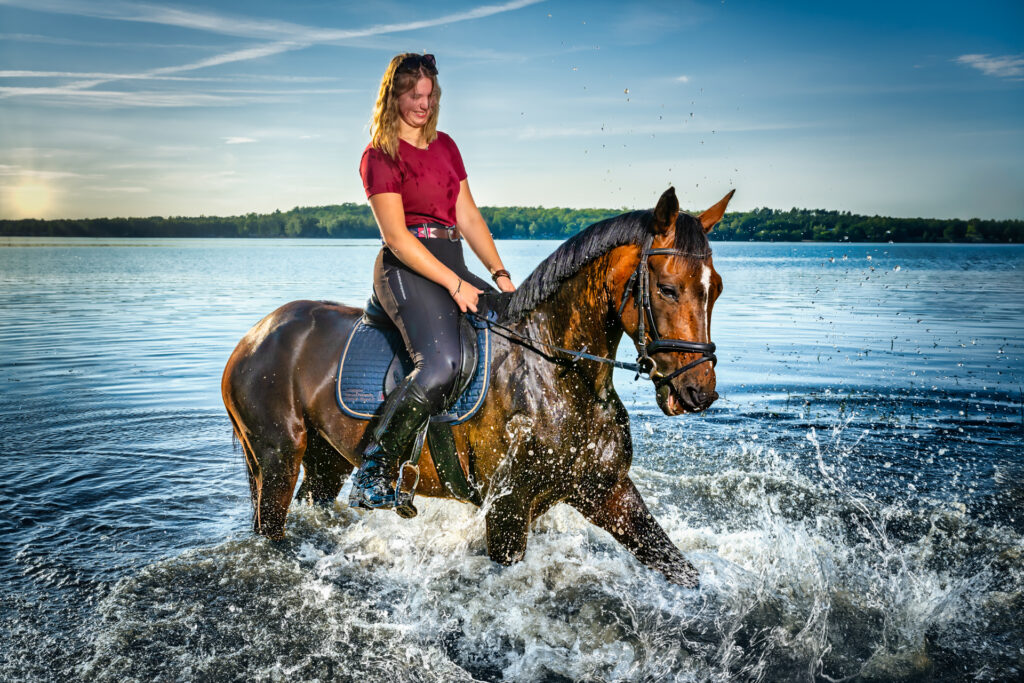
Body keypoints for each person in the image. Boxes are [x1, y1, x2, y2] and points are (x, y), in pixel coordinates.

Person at [352, 53, 515, 511]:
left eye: (429, 96)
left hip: (451, 258)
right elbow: (398, 239)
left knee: (513, 331)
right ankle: (375, 468)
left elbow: (467, 216)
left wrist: (500, 276)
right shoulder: (378, 156)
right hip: (405, 268)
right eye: (413, 96)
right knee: (441, 362)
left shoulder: (446, 146)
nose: (423, 105)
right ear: (394, 96)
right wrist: (458, 286)